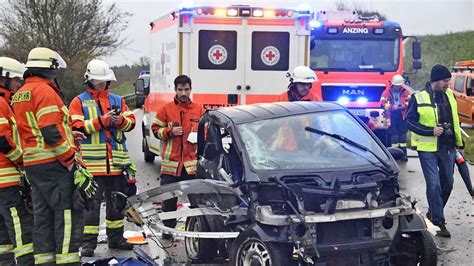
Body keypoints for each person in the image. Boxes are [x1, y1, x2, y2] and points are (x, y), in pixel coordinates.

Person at [11, 47, 96, 265]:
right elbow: (49, 131)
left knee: (43, 218)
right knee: (68, 215)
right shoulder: (45, 91)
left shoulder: (21, 92)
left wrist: (70, 134)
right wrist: (70, 161)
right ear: (49, 68)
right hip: (54, 164)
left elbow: (37, 129)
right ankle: (68, 262)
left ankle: (45, 262)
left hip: (34, 166)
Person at [69, 59, 136, 256]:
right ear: (89, 80)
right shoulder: (78, 101)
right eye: (98, 81)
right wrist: (102, 121)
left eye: (104, 81)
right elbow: (76, 127)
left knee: (116, 205)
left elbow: (131, 123)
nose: (102, 84)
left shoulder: (117, 100)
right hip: (91, 167)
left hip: (116, 165)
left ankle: (116, 238)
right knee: (91, 207)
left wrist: (120, 120)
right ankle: (88, 244)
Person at [406, 64, 464, 238]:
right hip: (427, 149)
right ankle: (439, 222)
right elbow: (409, 121)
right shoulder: (418, 97)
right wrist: (429, 131)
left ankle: (433, 212)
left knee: (448, 184)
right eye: (446, 81)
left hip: (447, 147)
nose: (448, 83)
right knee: (434, 185)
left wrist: (459, 144)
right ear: (436, 81)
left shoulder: (450, 96)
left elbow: (455, 121)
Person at [151, 75, 204, 240]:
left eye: (186, 89)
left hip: (191, 166)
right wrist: (169, 132)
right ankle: (168, 231)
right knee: (169, 202)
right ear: (175, 90)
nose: (183, 93)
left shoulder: (199, 109)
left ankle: (196, 231)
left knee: (197, 202)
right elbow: (154, 130)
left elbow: (205, 133)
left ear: (190, 89)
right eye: (180, 89)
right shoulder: (166, 109)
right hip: (171, 166)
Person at [0, 57, 34, 265]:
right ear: (3, 79)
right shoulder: (1, 103)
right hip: (6, 181)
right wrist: (21, 160)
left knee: (2, 231)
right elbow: (3, 140)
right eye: (15, 80)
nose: (18, 85)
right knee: (20, 228)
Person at [380, 74, 411, 161]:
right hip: (392, 115)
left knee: (402, 135)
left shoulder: (405, 92)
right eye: (396, 85)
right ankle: (394, 154)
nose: (398, 87)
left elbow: (410, 102)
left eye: (399, 85)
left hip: (402, 115)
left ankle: (404, 153)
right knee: (394, 135)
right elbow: (382, 103)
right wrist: (393, 107)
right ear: (393, 84)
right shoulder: (386, 92)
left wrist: (404, 105)